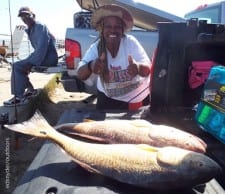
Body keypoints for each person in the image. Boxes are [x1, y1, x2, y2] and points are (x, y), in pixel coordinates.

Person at [77, 4, 151, 110]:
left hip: (136, 98)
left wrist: (138, 68)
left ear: (122, 30)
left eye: (117, 27)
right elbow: (80, 74)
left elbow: (148, 70)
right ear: (102, 30)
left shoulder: (130, 42)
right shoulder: (96, 47)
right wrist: (90, 66)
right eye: (108, 26)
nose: (113, 30)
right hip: (108, 97)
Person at [4, 7, 58, 106]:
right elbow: (52, 40)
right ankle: (30, 90)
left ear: (33, 15)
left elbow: (42, 48)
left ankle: (19, 97)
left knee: (17, 66)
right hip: (43, 57)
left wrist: (32, 62)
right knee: (19, 66)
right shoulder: (31, 29)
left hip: (48, 59)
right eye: (22, 16)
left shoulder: (40, 26)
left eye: (27, 15)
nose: (25, 18)